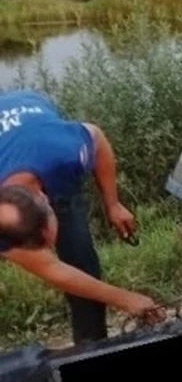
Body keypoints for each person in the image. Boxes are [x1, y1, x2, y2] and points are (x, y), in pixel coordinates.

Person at [0, 89, 165, 344]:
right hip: (17, 157)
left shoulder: (65, 152)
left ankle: (93, 343)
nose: (49, 249)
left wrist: (113, 204)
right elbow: (52, 269)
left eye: (47, 240)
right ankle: (91, 355)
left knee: (79, 259)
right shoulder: (5, 226)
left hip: (30, 116)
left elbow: (96, 137)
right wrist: (126, 299)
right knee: (70, 269)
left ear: (47, 199)